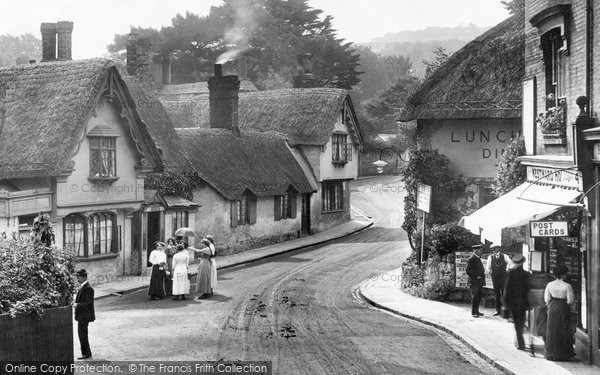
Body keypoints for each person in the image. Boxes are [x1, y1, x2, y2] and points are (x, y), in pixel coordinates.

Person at [544, 264, 575, 361]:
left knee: (552, 330)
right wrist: (569, 306)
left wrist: (550, 306)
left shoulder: (550, 284)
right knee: (564, 330)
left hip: (552, 307)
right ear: (563, 274)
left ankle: (551, 353)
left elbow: (547, 299)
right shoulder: (567, 286)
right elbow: (570, 300)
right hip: (563, 308)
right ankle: (563, 354)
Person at [503, 254, 531, 351]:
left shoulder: (510, 274)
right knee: (521, 322)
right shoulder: (527, 275)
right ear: (523, 263)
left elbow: (506, 290)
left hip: (513, 303)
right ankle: (520, 341)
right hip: (524, 302)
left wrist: (505, 303)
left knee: (517, 323)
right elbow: (530, 289)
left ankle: (520, 343)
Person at [74, 268, 95, 360]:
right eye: (77, 276)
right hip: (82, 316)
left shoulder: (88, 288)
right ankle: (86, 352)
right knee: (82, 334)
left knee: (82, 334)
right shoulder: (83, 287)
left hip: (85, 316)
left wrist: (77, 305)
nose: (78, 279)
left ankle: (86, 353)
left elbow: (88, 304)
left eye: (79, 277)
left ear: (84, 277)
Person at [485, 245, 511, 316]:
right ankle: (497, 310)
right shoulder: (490, 257)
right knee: (496, 293)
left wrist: (507, 270)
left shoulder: (505, 256)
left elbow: (511, 264)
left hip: (503, 278)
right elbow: (487, 268)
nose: (493, 250)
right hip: (495, 278)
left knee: (504, 293)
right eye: (492, 249)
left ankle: (506, 310)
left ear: (498, 248)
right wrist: (490, 272)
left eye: (495, 248)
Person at [466, 244, 485, 318]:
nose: (481, 251)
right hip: (474, 282)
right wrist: (476, 276)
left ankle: (477, 311)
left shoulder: (477, 258)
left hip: (478, 282)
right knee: (475, 296)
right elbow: (468, 271)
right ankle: (474, 312)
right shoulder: (472, 258)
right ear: (475, 250)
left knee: (478, 296)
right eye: (480, 250)